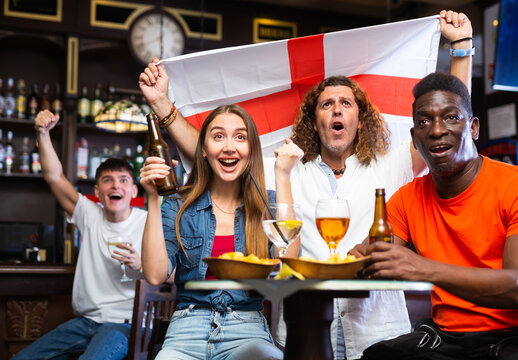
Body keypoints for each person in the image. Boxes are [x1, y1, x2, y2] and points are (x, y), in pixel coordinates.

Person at [138, 10, 473, 359]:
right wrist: (162, 103)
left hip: (378, 329)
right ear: (315, 121)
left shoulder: (393, 164)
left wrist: (462, 48)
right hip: (305, 326)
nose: (337, 110)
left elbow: (451, 121)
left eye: (347, 103)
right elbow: (216, 151)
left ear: (361, 118)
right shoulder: (289, 167)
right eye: (327, 104)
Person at [353, 72, 518, 359]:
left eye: (451, 117)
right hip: (448, 338)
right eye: (424, 121)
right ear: (415, 138)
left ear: (474, 128)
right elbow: (375, 257)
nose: (437, 130)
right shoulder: (406, 199)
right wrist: (357, 260)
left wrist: (421, 267)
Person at [139, 104, 302, 359]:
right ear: (203, 149)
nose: (229, 146)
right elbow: (155, 274)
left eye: (240, 137)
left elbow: (288, 261)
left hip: (247, 328)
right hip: (186, 328)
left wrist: (283, 175)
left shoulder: (267, 204)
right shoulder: (178, 204)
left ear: (251, 150)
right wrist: (152, 197)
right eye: (218, 136)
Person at [12, 110, 147, 360]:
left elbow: (167, 274)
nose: (116, 186)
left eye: (123, 180)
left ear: (133, 190)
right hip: (84, 322)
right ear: (97, 190)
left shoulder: (148, 222)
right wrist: (42, 133)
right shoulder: (89, 212)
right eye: (108, 180)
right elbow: (54, 177)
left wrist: (141, 264)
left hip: (123, 324)